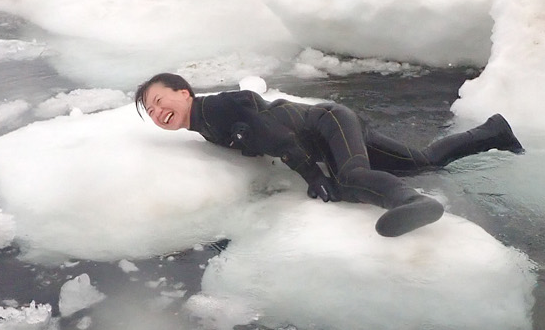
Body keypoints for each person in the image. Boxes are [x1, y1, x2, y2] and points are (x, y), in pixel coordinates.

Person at [135, 72, 523, 237]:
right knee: (421, 161)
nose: (157, 112)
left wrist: (313, 176)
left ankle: (410, 202)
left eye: (158, 100)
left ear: (183, 92)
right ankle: (494, 132)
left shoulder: (217, 107)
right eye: (150, 112)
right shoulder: (206, 125)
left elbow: (275, 133)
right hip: (331, 131)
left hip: (327, 123)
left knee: (349, 179)